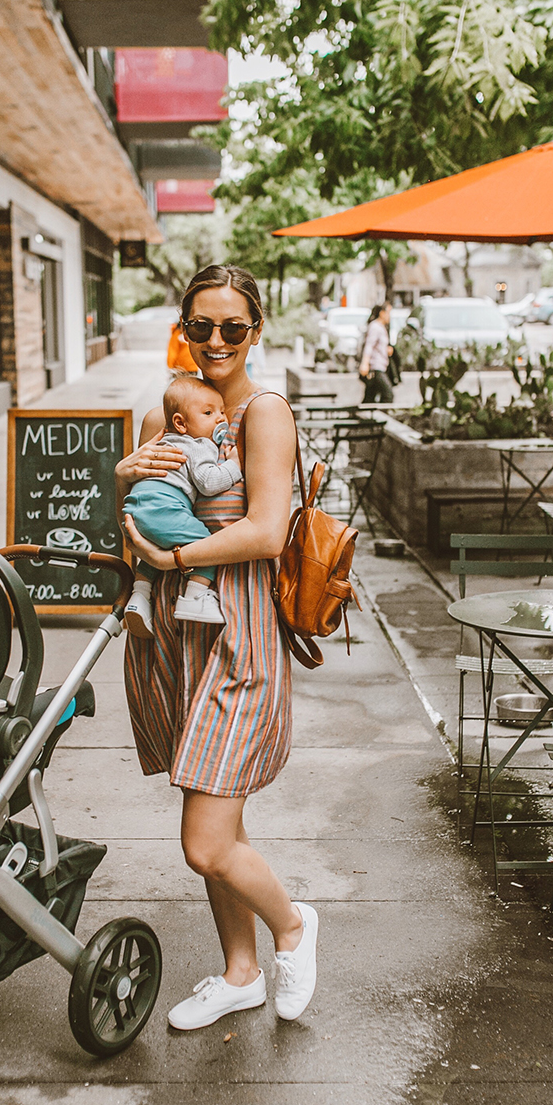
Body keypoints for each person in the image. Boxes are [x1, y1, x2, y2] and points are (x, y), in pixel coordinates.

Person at [116, 264, 318, 1031]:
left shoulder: (265, 413)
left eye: (233, 327)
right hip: (176, 633)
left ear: (256, 329)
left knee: (204, 842)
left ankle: (292, 925)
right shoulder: (162, 415)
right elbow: (136, 525)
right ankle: (240, 972)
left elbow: (267, 532)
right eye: (201, 326)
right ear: (183, 327)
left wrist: (178, 560)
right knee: (220, 823)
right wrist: (121, 479)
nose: (216, 341)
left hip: (238, 633)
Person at [123, 375, 243, 637]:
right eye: (209, 412)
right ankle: (196, 597)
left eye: (222, 411)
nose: (220, 419)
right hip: (164, 505)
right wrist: (235, 465)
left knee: (157, 546)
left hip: (136, 506)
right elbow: (208, 482)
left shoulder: (166, 439)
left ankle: (139, 597)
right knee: (204, 547)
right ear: (181, 422)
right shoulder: (199, 444)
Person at [359, 302, 395, 404]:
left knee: (370, 397)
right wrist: (365, 363)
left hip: (381, 365)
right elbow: (369, 345)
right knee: (388, 394)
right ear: (382, 313)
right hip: (375, 366)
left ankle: (365, 417)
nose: (390, 316)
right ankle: (382, 417)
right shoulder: (375, 326)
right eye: (388, 313)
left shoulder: (382, 327)